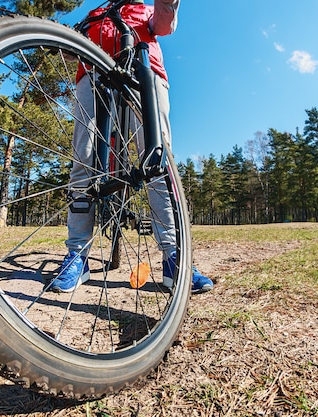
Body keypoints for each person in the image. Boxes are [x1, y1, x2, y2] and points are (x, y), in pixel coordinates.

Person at [50, 0, 213, 294]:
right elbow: (69, 48)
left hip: (145, 76)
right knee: (83, 159)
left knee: (158, 161)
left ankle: (173, 258)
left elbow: (164, 25)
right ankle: (77, 255)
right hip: (93, 76)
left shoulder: (144, 9)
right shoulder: (95, 14)